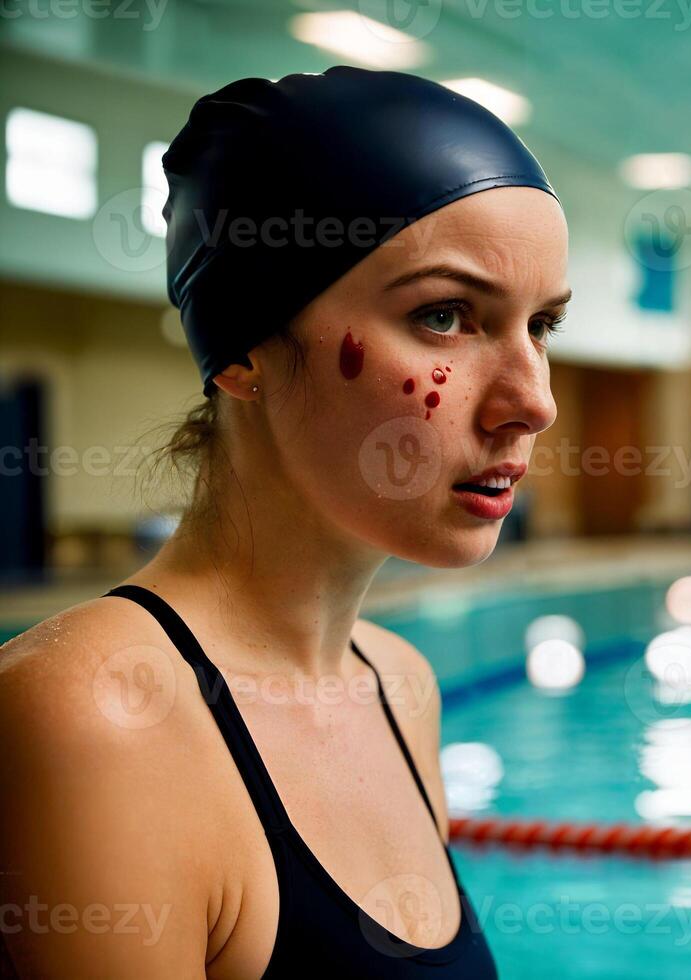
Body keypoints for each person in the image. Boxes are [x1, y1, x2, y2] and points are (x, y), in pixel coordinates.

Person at [0, 66, 569, 977]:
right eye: (445, 316)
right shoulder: (90, 719)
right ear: (244, 349)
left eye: (542, 326)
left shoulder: (402, 685)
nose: (533, 402)